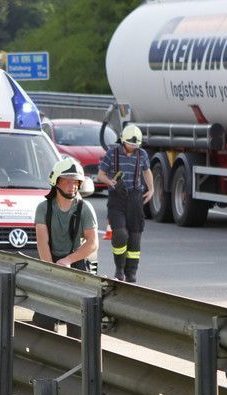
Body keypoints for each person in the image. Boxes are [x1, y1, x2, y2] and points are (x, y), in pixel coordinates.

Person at [32, 159, 99, 339]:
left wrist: (68, 260)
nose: (73, 186)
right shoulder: (43, 208)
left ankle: (77, 354)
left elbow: (92, 243)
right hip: (50, 263)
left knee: (79, 321)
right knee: (44, 320)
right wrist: (51, 269)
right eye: (67, 181)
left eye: (76, 182)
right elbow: (42, 243)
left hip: (76, 264)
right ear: (56, 182)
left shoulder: (85, 208)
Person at [97, 124, 154, 282]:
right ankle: (119, 269)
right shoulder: (112, 154)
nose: (133, 147)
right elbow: (100, 175)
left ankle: (131, 273)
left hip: (135, 199)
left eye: (136, 145)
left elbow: (147, 171)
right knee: (120, 234)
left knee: (135, 237)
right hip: (117, 200)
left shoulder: (142, 154)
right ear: (123, 141)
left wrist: (151, 189)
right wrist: (111, 182)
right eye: (130, 144)